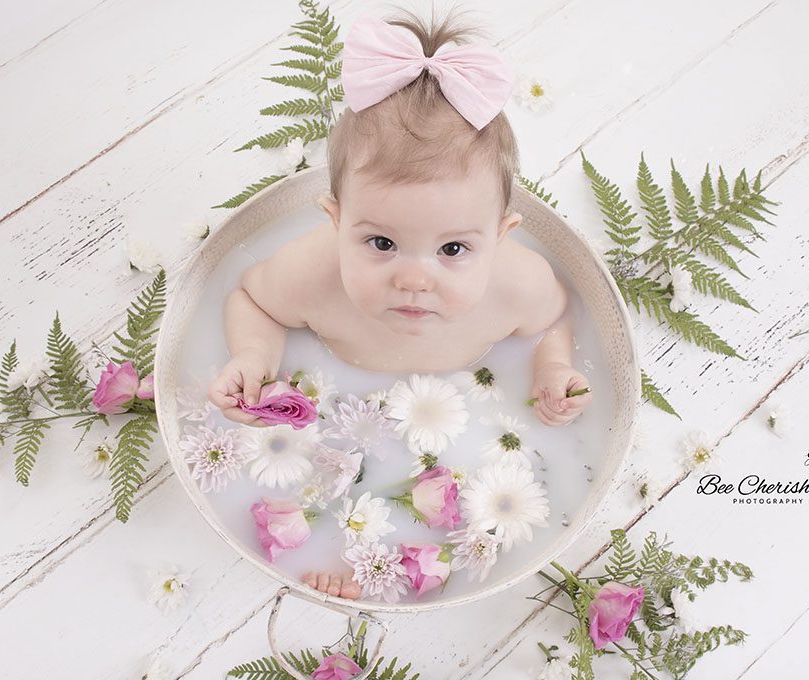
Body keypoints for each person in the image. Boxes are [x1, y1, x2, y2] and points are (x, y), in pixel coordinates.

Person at [209, 7, 592, 599]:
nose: (415, 280)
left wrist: (553, 368)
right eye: (381, 243)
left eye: (454, 248)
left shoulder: (517, 286)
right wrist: (254, 357)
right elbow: (250, 300)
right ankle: (340, 556)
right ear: (335, 223)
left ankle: (393, 570)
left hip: (457, 436)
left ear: (503, 233)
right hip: (338, 430)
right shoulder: (312, 275)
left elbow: (555, 320)